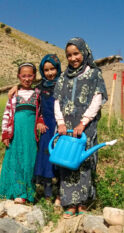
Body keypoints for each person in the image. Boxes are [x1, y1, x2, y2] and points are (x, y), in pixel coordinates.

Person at [53, 37, 108, 218]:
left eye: (76, 53)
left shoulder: (94, 74)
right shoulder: (62, 77)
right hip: (65, 127)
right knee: (66, 162)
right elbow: (57, 101)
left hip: (86, 126)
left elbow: (97, 99)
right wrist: (60, 122)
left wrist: (83, 122)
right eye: (69, 55)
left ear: (84, 52)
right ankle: (69, 202)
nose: (72, 58)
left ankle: (83, 203)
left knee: (83, 162)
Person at [0, 62, 45, 204]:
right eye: (23, 76)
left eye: (30, 75)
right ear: (19, 77)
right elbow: (7, 114)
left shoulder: (37, 94)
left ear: (34, 76)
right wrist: (5, 133)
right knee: (15, 160)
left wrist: (40, 122)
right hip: (16, 133)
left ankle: (27, 193)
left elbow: (40, 112)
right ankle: (16, 192)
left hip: (30, 135)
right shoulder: (14, 94)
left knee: (29, 160)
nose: (26, 79)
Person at [33, 54, 62, 206]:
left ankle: (59, 195)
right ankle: (48, 195)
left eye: (52, 69)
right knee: (46, 161)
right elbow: (36, 109)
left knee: (60, 161)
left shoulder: (64, 84)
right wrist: (39, 121)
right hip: (46, 129)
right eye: (46, 70)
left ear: (58, 68)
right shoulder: (39, 89)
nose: (50, 73)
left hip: (62, 128)